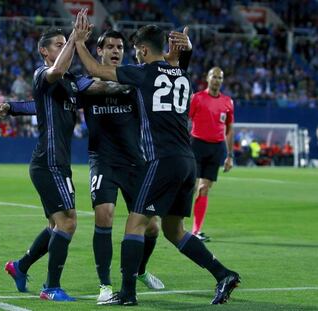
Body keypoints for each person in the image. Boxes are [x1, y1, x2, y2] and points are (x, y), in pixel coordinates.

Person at [0, 26, 193, 304]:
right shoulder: (84, 84)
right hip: (102, 161)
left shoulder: (132, 83)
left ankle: (138, 270)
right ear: (98, 51)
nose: (115, 51)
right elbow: (44, 102)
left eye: (120, 48)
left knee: (151, 228)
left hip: (136, 163)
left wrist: (171, 62)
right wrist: (13, 107)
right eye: (109, 47)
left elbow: (167, 79)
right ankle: (103, 284)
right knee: (101, 217)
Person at [73, 11, 240, 306]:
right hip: (187, 161)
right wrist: (183, 52)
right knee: (173, 230)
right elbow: (173, 66)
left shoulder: (144, 73)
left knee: (134, 226)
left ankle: (126, 294)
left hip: (162, 161)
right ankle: (223, 274)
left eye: (136, 50)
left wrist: (79, 42)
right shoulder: (185, 77)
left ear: (144, 50)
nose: (135, 56)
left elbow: (94, 70)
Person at [1, 26, 134, 302]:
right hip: (48, 161)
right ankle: (51, 287)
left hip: (59, 163)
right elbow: (55, 73)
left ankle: (20, 266)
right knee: (68, 223)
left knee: (56, 225)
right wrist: (75, 39)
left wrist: (136, 82)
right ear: (44, 52)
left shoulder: (72, 82)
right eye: (59, 44)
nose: (65, 48)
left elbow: (101, 85)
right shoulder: (44, 74)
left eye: (66, 43)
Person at [188, 67, 235, 242]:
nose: (217, 80)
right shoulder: (198, 98)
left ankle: (196, 230)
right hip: (196, 145)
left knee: (204, 188)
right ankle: (176, 224)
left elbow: (229, 129)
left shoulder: (227, 102)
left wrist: (230, 155)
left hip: (215, 148)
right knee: (190, 187)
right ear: (207, 78)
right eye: (214, 77)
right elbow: (186, 120)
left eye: (220, 78)